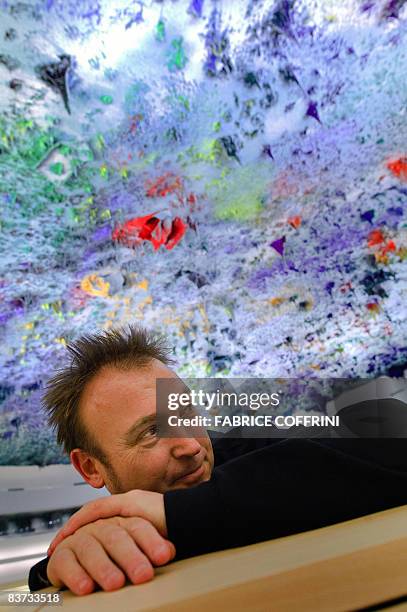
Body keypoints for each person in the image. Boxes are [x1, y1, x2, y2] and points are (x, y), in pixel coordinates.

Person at [29, 326, 407, 595]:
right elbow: (21, 598)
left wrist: (181, 513)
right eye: (151, 432)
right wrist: (50, 574)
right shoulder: (93, 540)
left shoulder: (252, 451)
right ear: (90, 467)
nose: (190, 446)